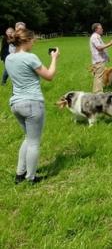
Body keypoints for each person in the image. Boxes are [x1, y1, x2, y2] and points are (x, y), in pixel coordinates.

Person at [5, 28, 59, 184]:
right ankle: (31, 178)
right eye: (33, 40)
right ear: (26, 41)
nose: (34, 42)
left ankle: (20, 174)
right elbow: (49, 76)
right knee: (34, 142)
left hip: (16, 104)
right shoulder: (30, 57)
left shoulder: (9, 58)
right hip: (32, 103)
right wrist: (54, 58)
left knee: (28, 139)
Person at [89, 23, 112, 93]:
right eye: (100, 28)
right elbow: (99, 47)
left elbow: (101, 47)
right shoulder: (95, 37)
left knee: (98, 77)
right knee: (99, 77)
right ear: (96, 29)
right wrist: (110, 43)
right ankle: (98, 93)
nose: (102, 29)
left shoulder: (97, 36)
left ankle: (96, 92)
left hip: (99, 59)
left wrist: (107, 57)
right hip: (99, 60)